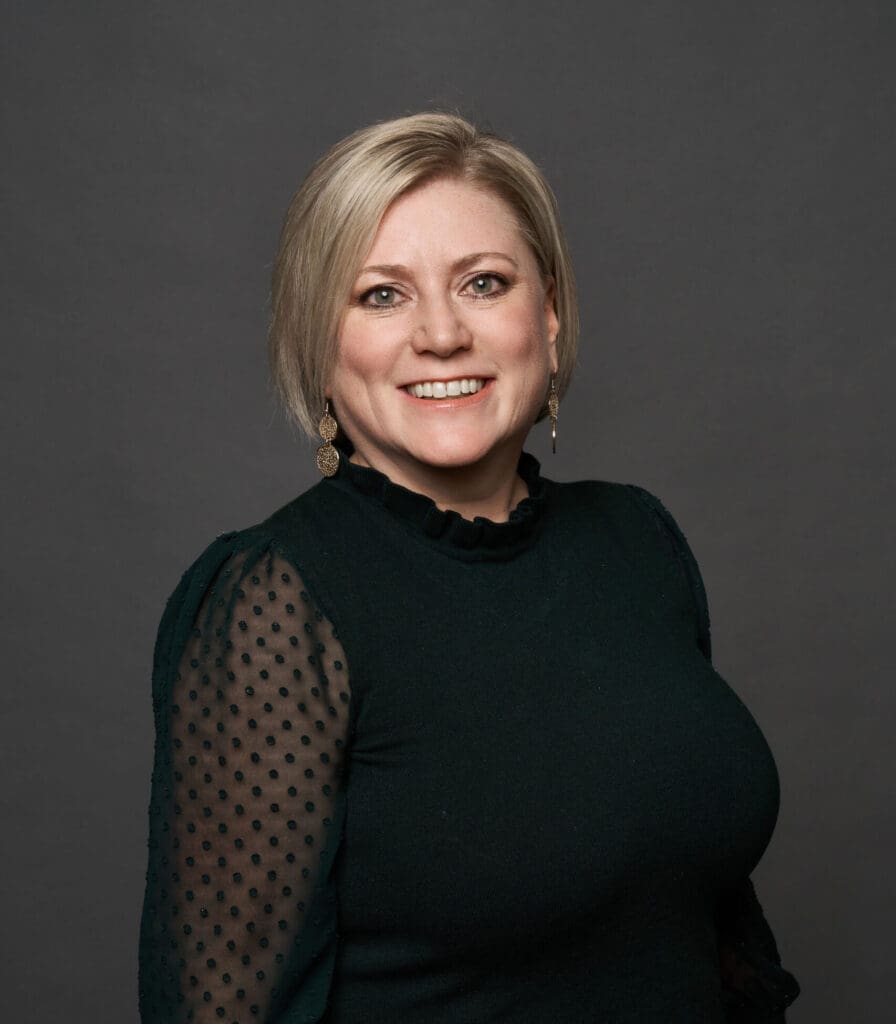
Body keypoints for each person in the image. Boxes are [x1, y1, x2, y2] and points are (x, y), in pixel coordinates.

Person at [137, 111, 800, 1023]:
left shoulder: (638, 540)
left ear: (551, 320)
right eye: (380, 295)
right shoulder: (277, 603)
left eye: (484, 283)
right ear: (318, 346)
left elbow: (700, 919)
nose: (441, 334)